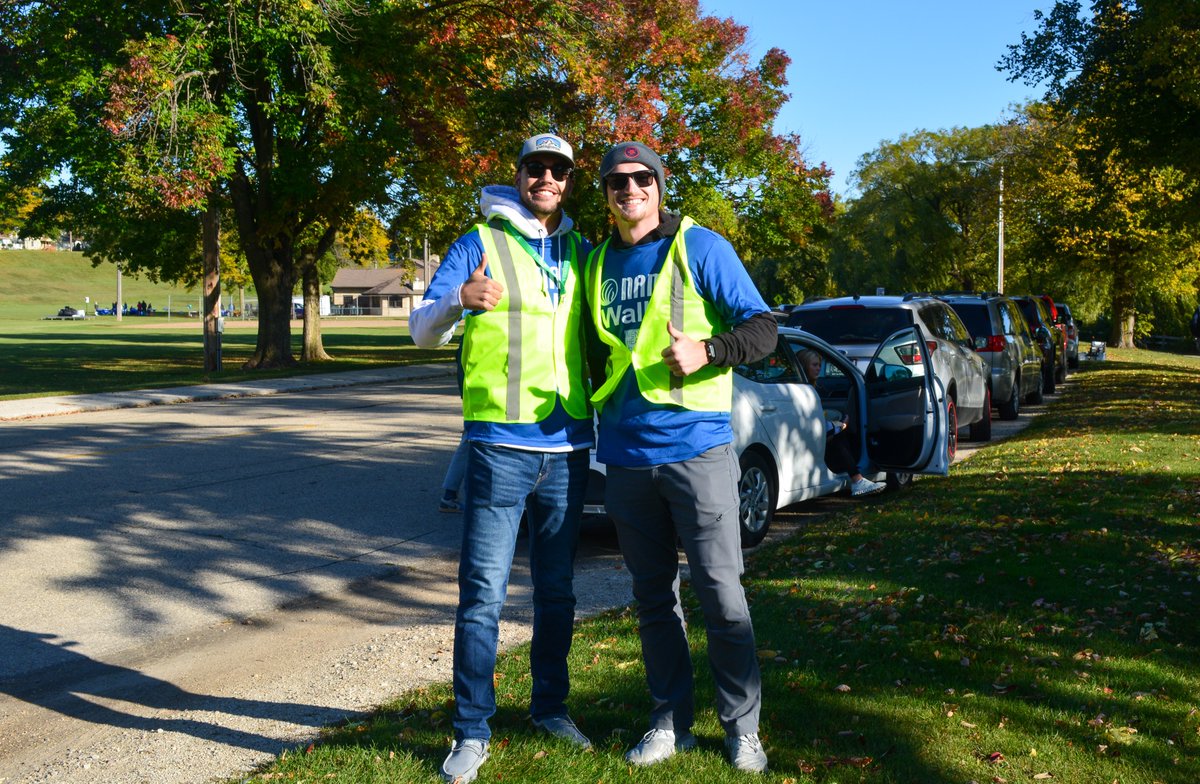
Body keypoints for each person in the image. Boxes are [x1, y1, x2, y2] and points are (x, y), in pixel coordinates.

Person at [583, 140, 776, 773]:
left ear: (660, 185)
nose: (629, 189)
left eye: (642, 178)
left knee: (722, 594)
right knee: (652, 599)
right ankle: (669, 722)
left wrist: (708, 351)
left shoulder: (700, 246)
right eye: (617, 181)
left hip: (698, 450)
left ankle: (742, 728)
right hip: (627, 457)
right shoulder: (597, 261)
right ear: (606, 193)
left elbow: (762, 327)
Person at [410, 133, 594, 784]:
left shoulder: (582, 251)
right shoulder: (478, 242)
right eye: (536, 167)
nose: (547, 178)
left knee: (558, 592)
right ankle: (470, 732)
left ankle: (551, 709)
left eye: (559, 170)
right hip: (497, 448)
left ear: (569, 181)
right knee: (482, 596)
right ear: (518, 175)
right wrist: (458, 303)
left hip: (569, 449)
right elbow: (418, 327)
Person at [797, 349, 885, 497]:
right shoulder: (806, 390)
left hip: (807, 435)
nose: (818, 368)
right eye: (814, 365)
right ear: (805, 366)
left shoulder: (805, 387)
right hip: (808, 439)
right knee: (839, 437)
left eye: (819, 365)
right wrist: (841, 425)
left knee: (838, 435)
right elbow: (819, 427)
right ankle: (857, 480)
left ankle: (856, 479)